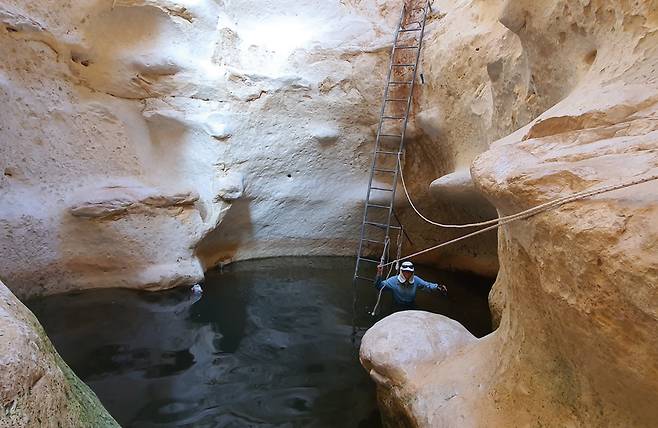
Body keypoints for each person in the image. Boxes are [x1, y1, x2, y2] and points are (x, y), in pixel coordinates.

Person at [375, 261, 447, 310]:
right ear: (401, 271)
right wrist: (379, 274)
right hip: (397, 305)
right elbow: (379, 286)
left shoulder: (416, 280)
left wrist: (438, 287)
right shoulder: (393, 280)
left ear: (412, 272)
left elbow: (427, 285)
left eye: (409, 272)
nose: (407, 274)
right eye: (405, 272)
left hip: (411, 304)